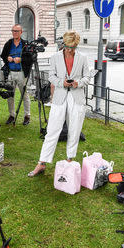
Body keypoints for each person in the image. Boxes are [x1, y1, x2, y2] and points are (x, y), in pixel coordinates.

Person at [29, 31, 90, 177]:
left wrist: (78, 83)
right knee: (52, 130)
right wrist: (60, 83)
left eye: (73, 47)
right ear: (63, 44)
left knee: (74, 131)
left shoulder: (83, 58)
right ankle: (41, 163)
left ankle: (69, 161)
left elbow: (87, 77)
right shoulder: (55, 57)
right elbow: (51, 76)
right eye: (68, 46)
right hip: (60, 97)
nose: (70, 50)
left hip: (77, 97)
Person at [0, 24, 30, 125]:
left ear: (21, 32)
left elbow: (31, 58)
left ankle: (27, 115)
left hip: (21, 73)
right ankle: (12, 115)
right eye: (13, 31)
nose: (14, 33)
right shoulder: (9, 43)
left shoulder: (25, 44)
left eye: (16, 31)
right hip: (11, 73)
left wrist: (21, 60)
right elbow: (3, 55)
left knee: (24, 95)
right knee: (10, 95)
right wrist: (7, 58)